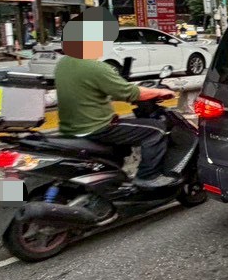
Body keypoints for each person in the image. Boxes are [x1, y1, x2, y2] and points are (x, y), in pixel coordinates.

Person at [55, 10, 176, 186]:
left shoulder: (64, 63)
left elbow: (101, 89)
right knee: (155, 130)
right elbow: (130, 93)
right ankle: (148, 177)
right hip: (96, 128)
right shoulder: (94, 67)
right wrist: (162, 92)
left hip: (71, 127)